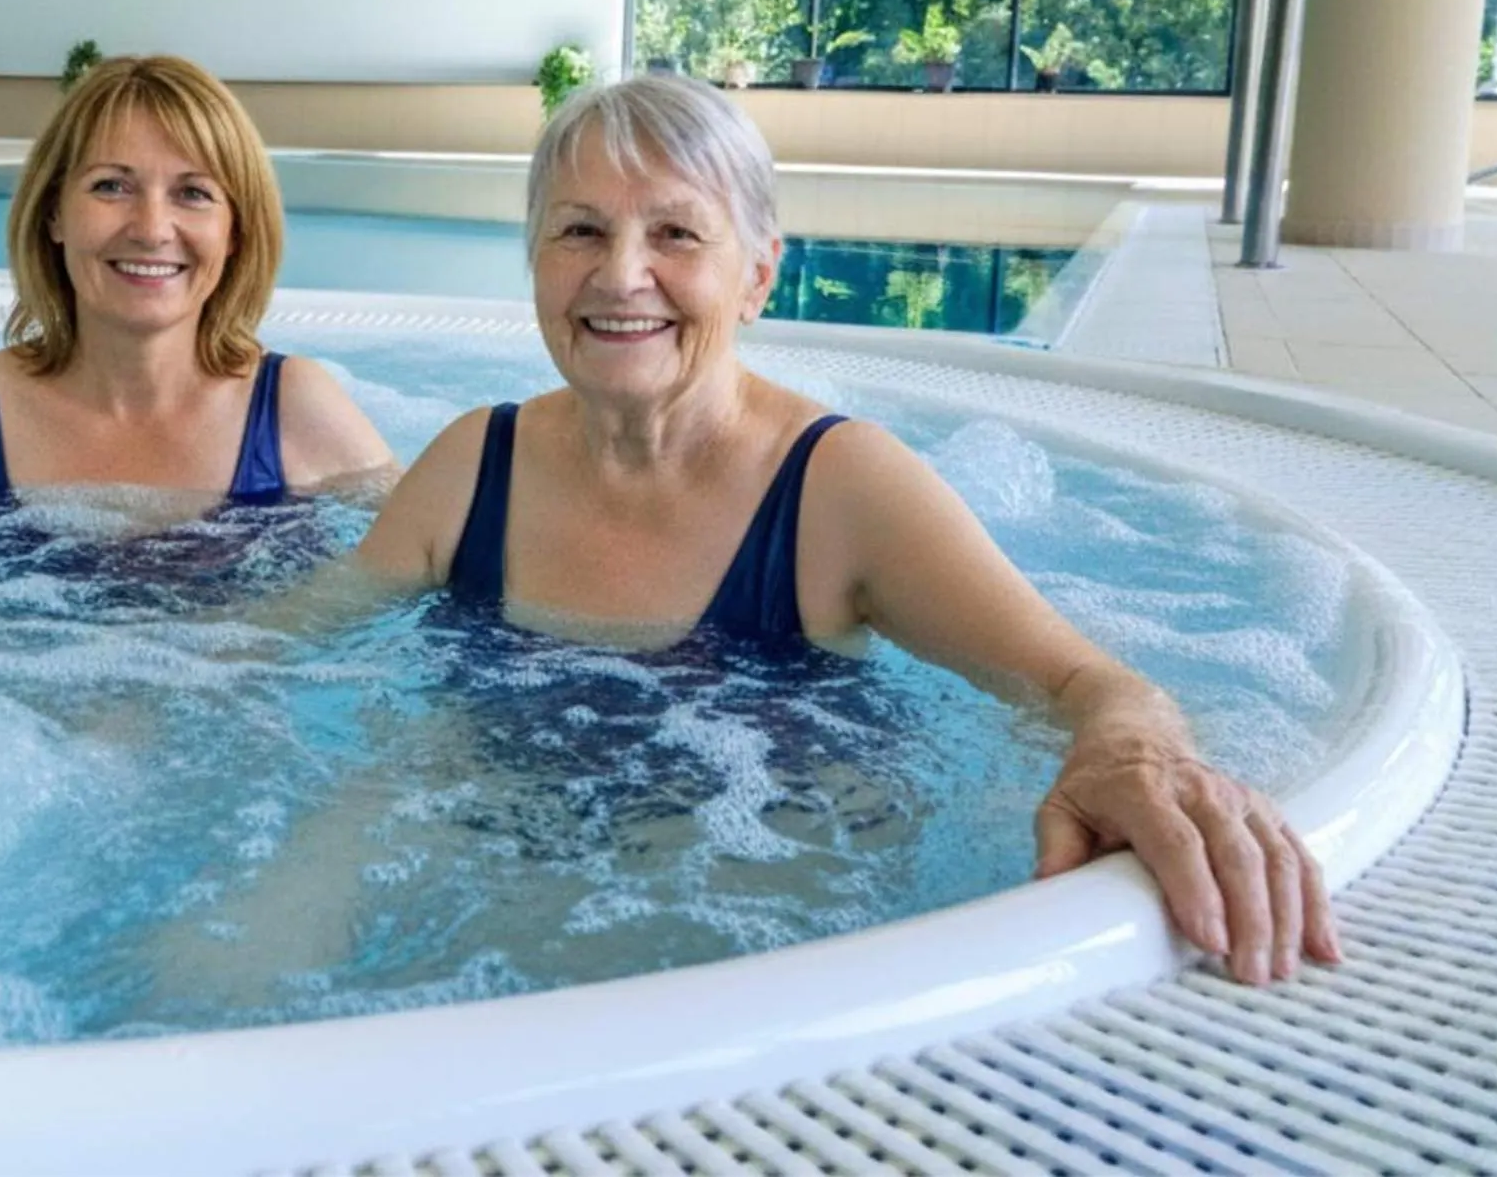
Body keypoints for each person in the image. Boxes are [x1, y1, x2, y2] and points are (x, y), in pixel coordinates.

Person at [354, 73, 1339, 985]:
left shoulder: (838, 487)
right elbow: (293, 643)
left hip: (749, 907)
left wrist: (1136, 757)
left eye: (676, 234)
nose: (620, 275)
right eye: (579, 230)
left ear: (757, 275)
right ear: (534, 259)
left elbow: (1088, 684)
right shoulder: (472, 464)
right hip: (501, 872)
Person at [0, 54, 394, 506]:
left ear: (235, 231)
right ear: (54, 214)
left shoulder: (294, 411)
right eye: (111, 186)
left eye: (193, 193)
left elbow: (422, 554)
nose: (151, 230)